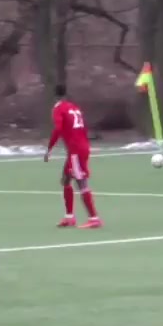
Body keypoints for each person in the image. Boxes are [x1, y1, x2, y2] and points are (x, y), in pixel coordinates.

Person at [44, 84, 102, 229]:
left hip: (76, 150)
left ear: (55, 96)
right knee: (65, 180)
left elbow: (58, 129)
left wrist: (49, 148)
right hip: (80, 147)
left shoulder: (58, 108)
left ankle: (94, 218)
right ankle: (69, 217)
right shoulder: (73, 107)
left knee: (81, 182)